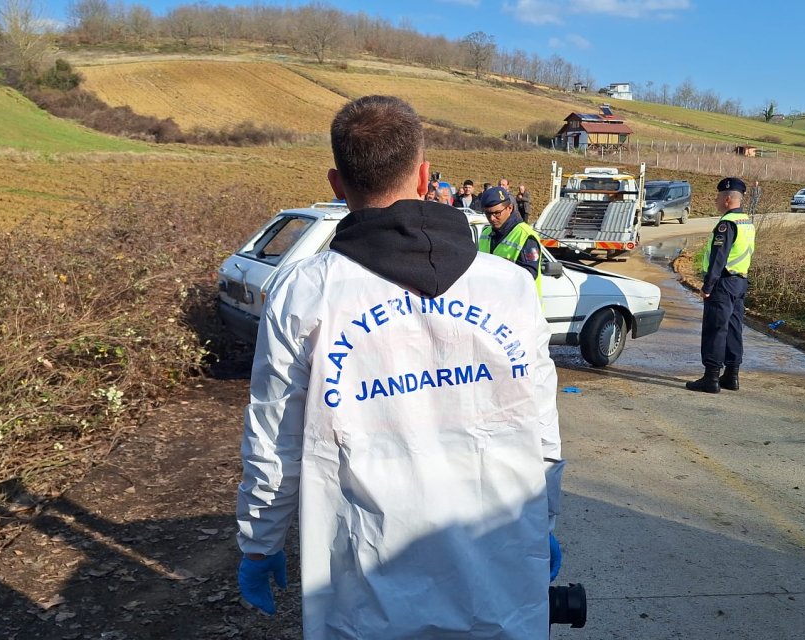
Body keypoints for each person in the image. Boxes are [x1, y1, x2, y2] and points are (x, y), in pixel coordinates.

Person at [236, 95, 565, 638]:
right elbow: (539, 426)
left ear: (337, 184)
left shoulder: (307, 292)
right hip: (498, 575)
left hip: (367, 583)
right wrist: (544, 518)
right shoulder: (507, 287)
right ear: (425, 175)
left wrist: (260, 540)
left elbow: (274, 438)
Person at [687, 176, 756, 394]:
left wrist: (707, 286)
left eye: (718, 197)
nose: (715, 201)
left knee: (715, 329)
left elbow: (719, 257)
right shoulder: (746, 221)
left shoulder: (726, 224)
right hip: (740, 282)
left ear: (727, 199)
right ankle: (732, 375)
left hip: (723, 284)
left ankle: (711, 378)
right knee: (734, 329)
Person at [477, 185, 544, 296]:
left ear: (510, 208)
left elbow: (528, 277)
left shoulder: (525, 236)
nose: (492, 218)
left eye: (497, 213)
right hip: (494, 304)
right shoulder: (485, 233)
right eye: (488, 214)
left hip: (520, 307)